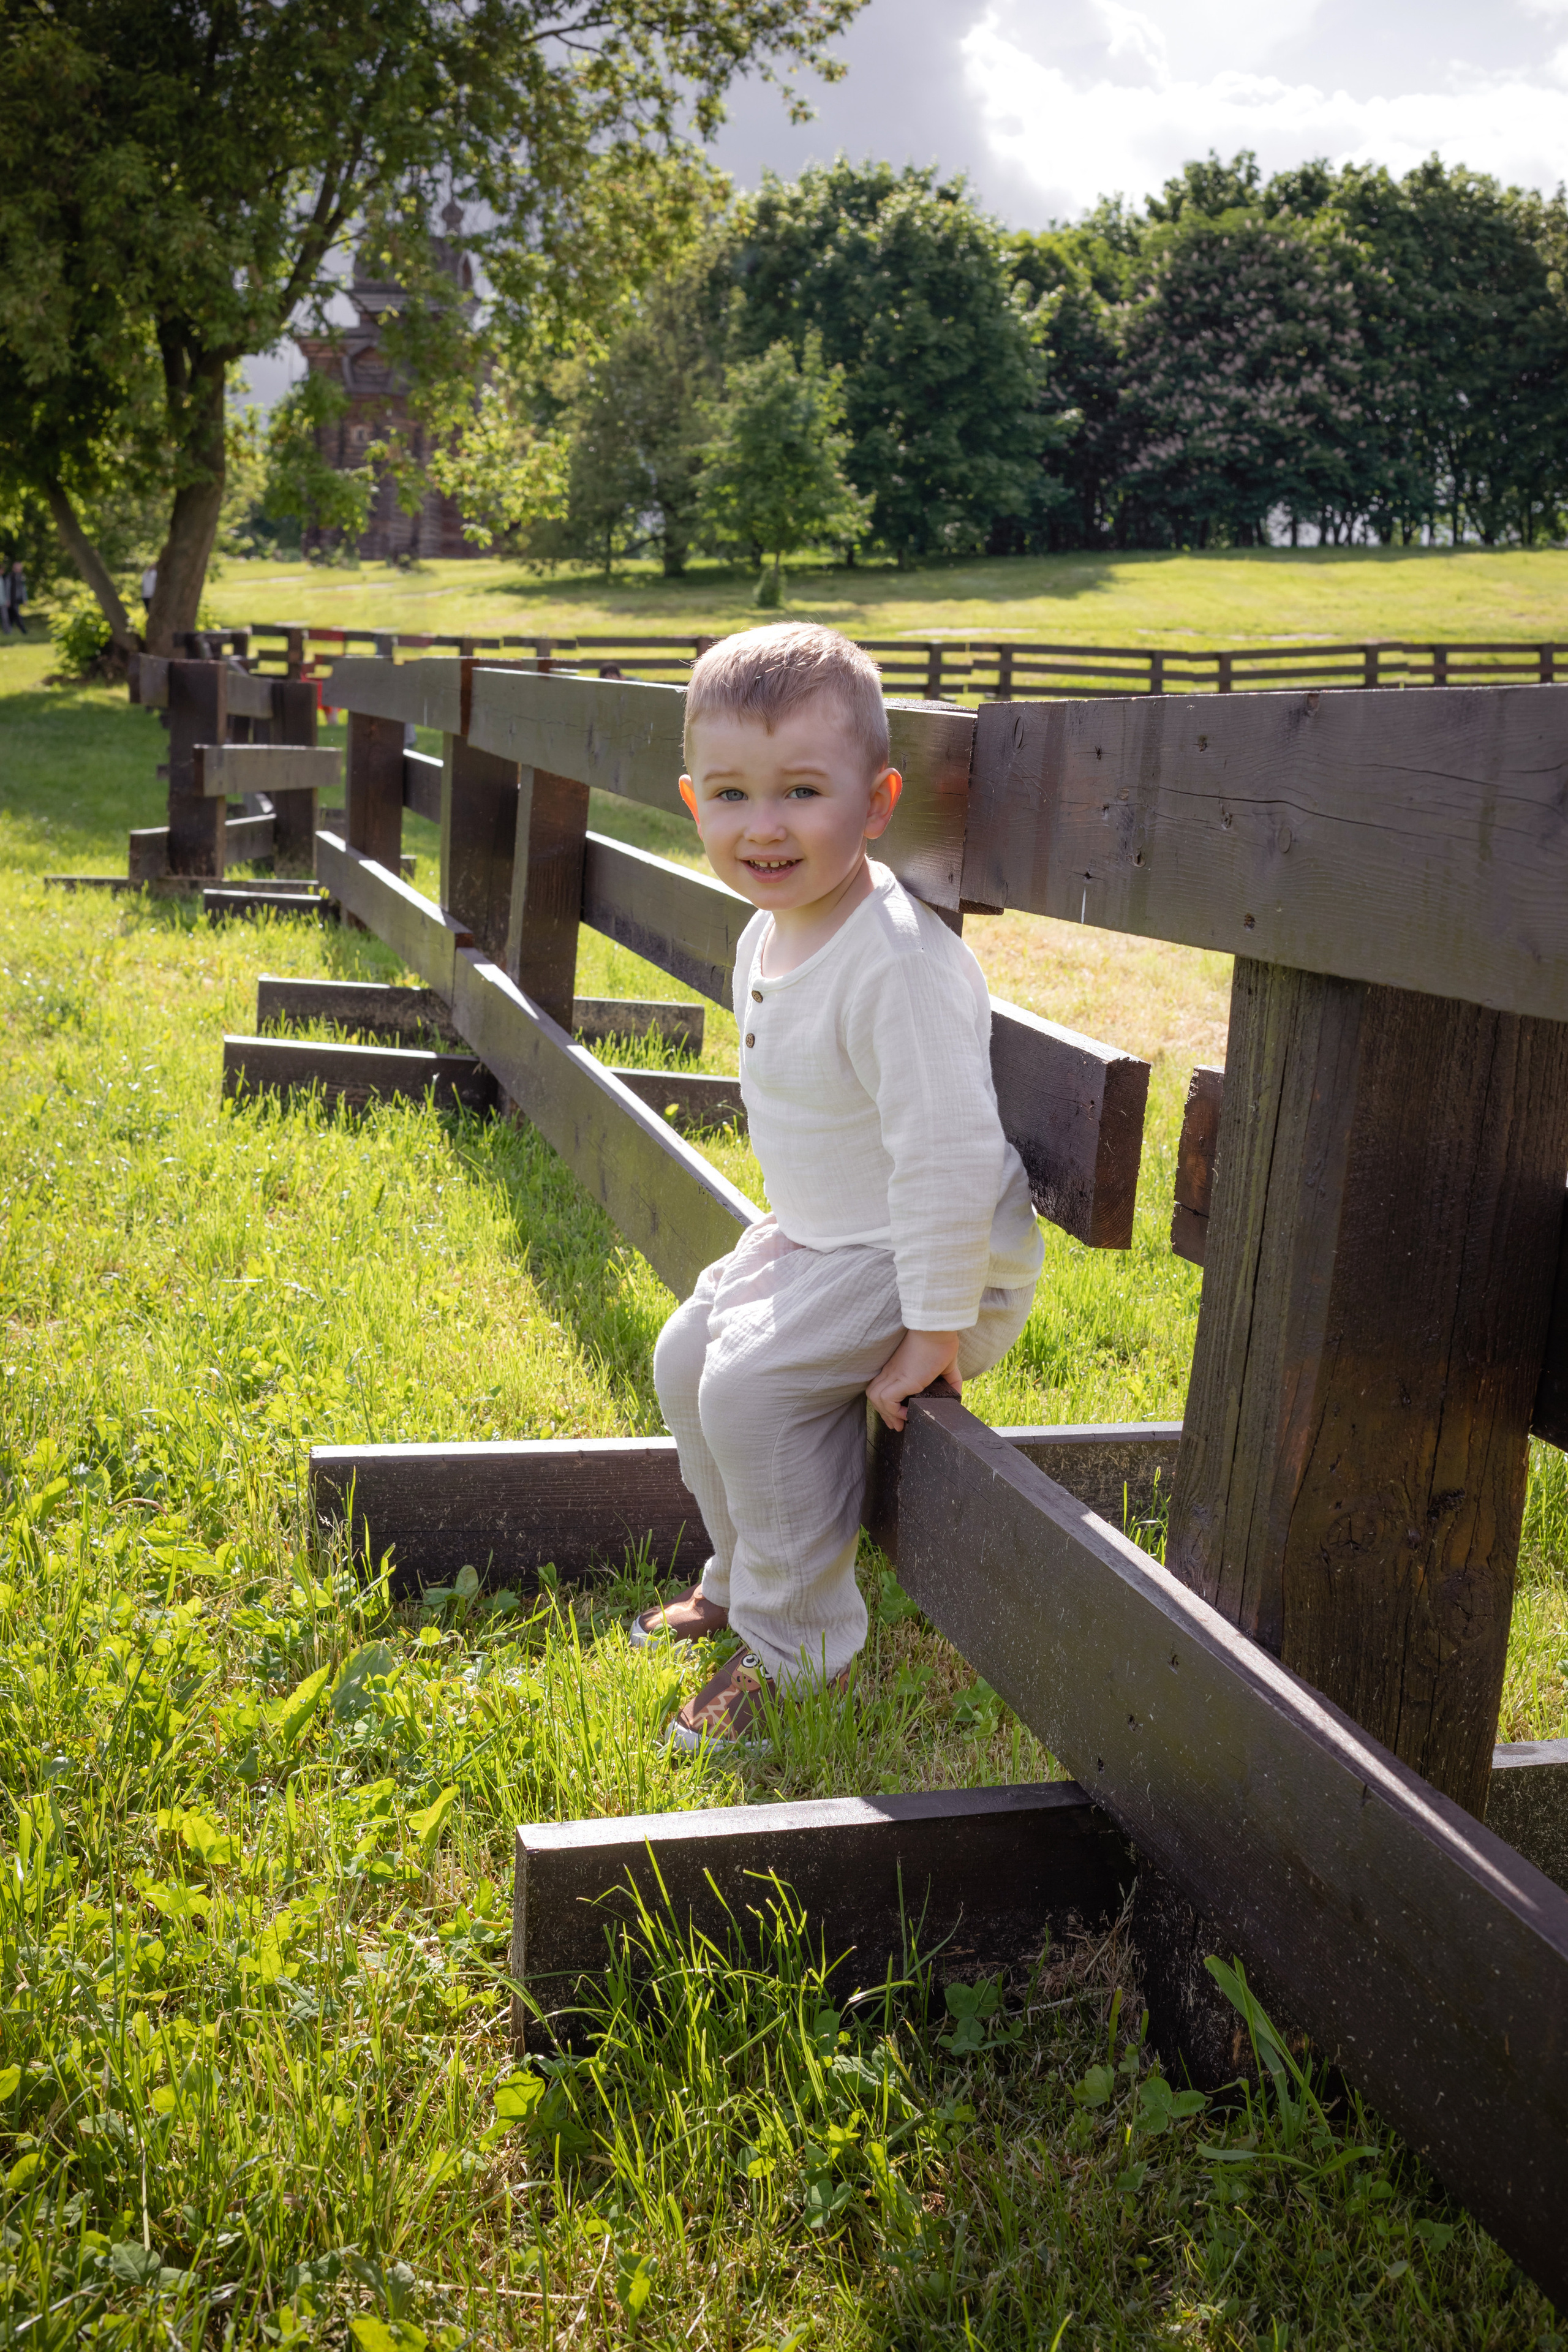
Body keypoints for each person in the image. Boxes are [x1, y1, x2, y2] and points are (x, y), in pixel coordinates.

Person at [636, 622, 1043, 1749]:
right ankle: (741, 1581)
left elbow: (948, 1155)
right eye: (731, 795)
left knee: (748, 1390)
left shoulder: (895, 959)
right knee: (686, 1357)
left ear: (876, 804)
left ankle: (799, 1648)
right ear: (693, 804)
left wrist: (935, 1323)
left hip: (932, 1258)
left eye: (803, 791)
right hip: (830, 1237)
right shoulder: (766, 934)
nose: (763, 826)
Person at [7, 559, 27, 636]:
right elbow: (8, 589)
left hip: (18, 599)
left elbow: (23, 589)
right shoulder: (10, 577)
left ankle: (9, 629)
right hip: (12, 599)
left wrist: (25, 599)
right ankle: (23, 629)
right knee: (16, 614)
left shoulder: (21, 577)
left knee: (12, 615)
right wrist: (8, 600)